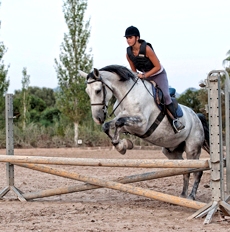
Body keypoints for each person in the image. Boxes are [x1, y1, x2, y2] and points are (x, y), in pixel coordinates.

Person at [124, 26, 185, 132]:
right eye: (127, 38)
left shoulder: (147, 49)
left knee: (165, 95)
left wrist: (144, 75)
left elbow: (158, 66)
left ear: (137, 37)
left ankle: (176, 121)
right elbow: (134, 72)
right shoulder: (128, 54)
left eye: (130, 37)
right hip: (144, 76)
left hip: (158, 74)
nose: (128, 40)